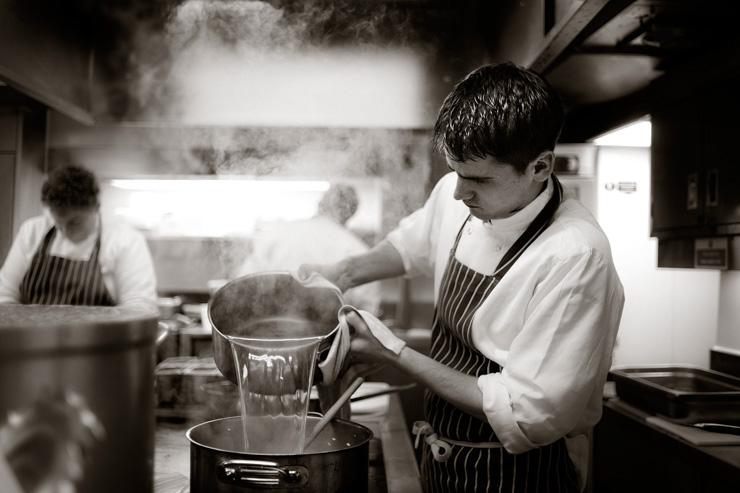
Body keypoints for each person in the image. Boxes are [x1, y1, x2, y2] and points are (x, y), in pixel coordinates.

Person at [300, 62, 624, 492]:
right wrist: (341, 272)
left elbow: (526, 413)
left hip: (519, 475)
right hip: (443, 458)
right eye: (455, 172)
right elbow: (410, 245)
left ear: (540, 167)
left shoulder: (575, 256)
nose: (459, 192)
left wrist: (395, 353)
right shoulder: (460, 195)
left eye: (478, 180)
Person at [0, 165, 157, 311]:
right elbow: (4, 295)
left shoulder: (125, 240)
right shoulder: (32, 231)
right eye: (58, 222)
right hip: (34, 332)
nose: (65, 231)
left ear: (96, 207)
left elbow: (140, 307)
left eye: (75, 222)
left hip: (101, 333)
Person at [236, 183, 381, 313]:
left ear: (320, 203)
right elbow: (366, 314)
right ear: (351, 212)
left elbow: (242, 284)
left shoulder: (278, 232)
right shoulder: (358, 250)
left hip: (266, 327)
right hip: (332, 334)